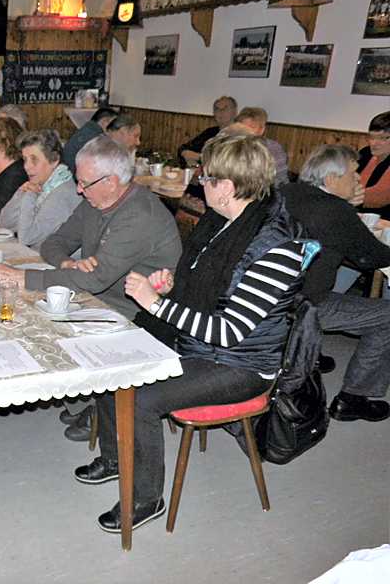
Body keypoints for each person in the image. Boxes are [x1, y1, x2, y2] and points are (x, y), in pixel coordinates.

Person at [76, 133, 311, 534]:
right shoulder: (224, 221)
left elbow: (230, 331)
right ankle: (116, 458)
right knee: (112, 359)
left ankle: (146, 499)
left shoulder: (278, 247)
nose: (200, 183)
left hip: (241, 365)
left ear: (227, 187)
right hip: (200, 346)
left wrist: (157, 305)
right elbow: (207, 288)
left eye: (206, 177)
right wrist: (172, 287)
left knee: (141, 397)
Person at [0, 134, 181, 321]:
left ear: (111, 182)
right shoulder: (93, 202)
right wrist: (67, 263)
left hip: (130, 316)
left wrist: (23, 277)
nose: (79, 190)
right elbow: (54, 242)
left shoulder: (139, 216)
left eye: (84, 183)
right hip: (92, 301)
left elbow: (95, 279)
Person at [283, 144, 390, 422]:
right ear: (331, 179)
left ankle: (309, 353)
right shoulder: (335, 210)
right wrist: (347, 210)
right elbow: (373, 257)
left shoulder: (286, 192)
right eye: (353, 174)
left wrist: (346, 209)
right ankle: (353, 398)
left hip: (272, 296)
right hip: (304, 304)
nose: (358, 180)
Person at [0, 129, 81, 250]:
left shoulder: (63, 193)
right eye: (25, 160)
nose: (27, 166)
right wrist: (21, 193)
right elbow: (5, 223)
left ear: (54, 160)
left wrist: (30, 195)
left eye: (34, 159)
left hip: (52, 260)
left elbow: (26, 238)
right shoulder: (42, 184)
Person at [232, 107, 289, 185]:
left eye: (251, 127)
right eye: (242, 127)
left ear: (261, 130)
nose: (246, 131)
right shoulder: (231, 146)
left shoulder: (273, 148)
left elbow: (279, 178)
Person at [177, 96, 237, 168]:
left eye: (225, 108)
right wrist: (186, 153)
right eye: (217, 109)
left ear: (234, 112)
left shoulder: (240, 135)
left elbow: (227, 162)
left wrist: (199, 157)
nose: (220, 112)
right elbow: (183, 148)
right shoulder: (210, 132)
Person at [62, 107, 118, 176]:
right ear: (104, 121)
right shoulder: (94, 136)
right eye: (113, 124)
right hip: (74, 176)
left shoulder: (88, 129)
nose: (114, 128)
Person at [359, 111, 390, 219]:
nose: (374, 143)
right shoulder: (365, 153)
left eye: (383, 138)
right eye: (371, 137)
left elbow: (380, 196)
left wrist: (344, 194)